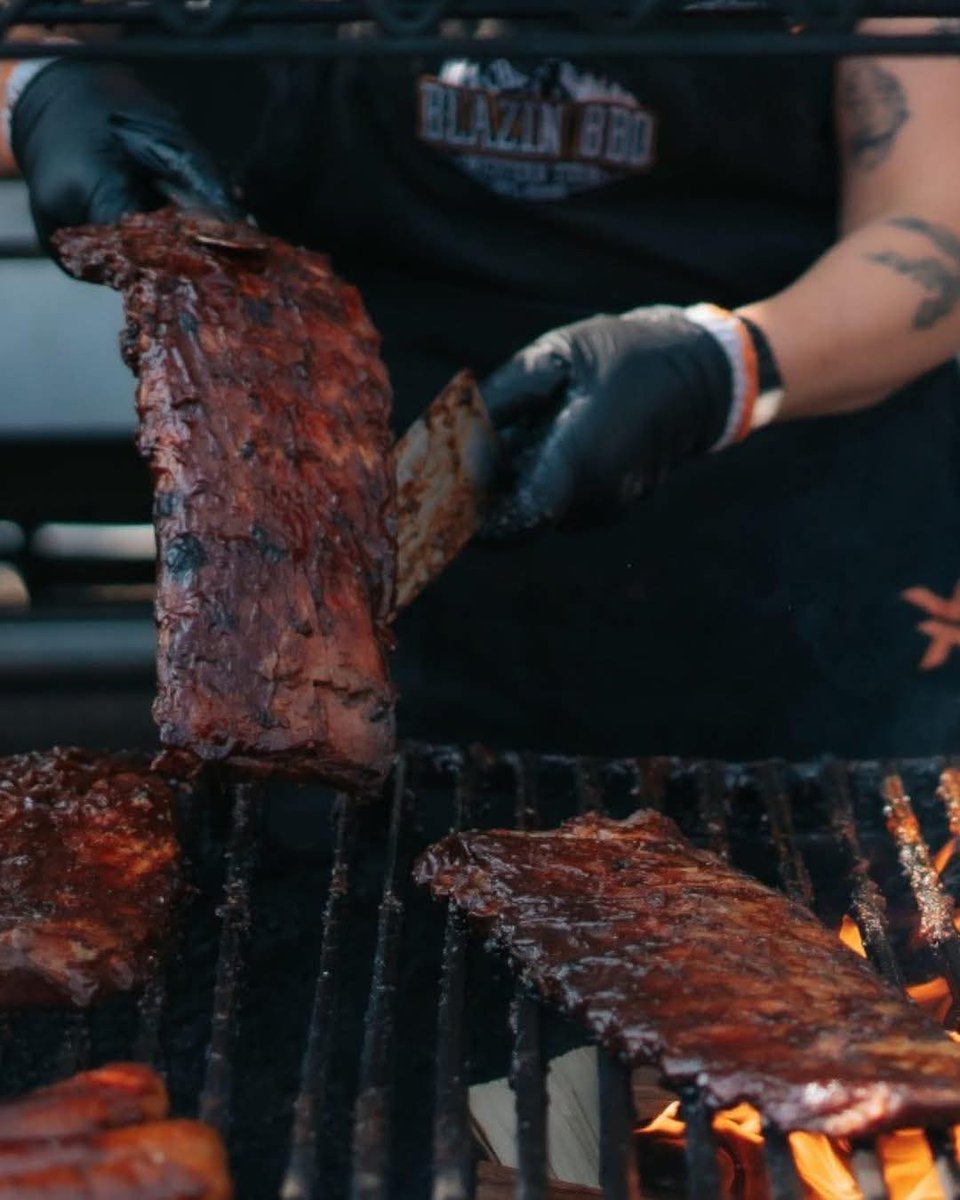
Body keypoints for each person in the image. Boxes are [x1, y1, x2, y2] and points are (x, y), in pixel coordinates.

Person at [5, 15, 960, 761]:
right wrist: (42, 86)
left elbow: (937, 224)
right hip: (357, 541)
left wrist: (726, 363)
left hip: (784, 532)